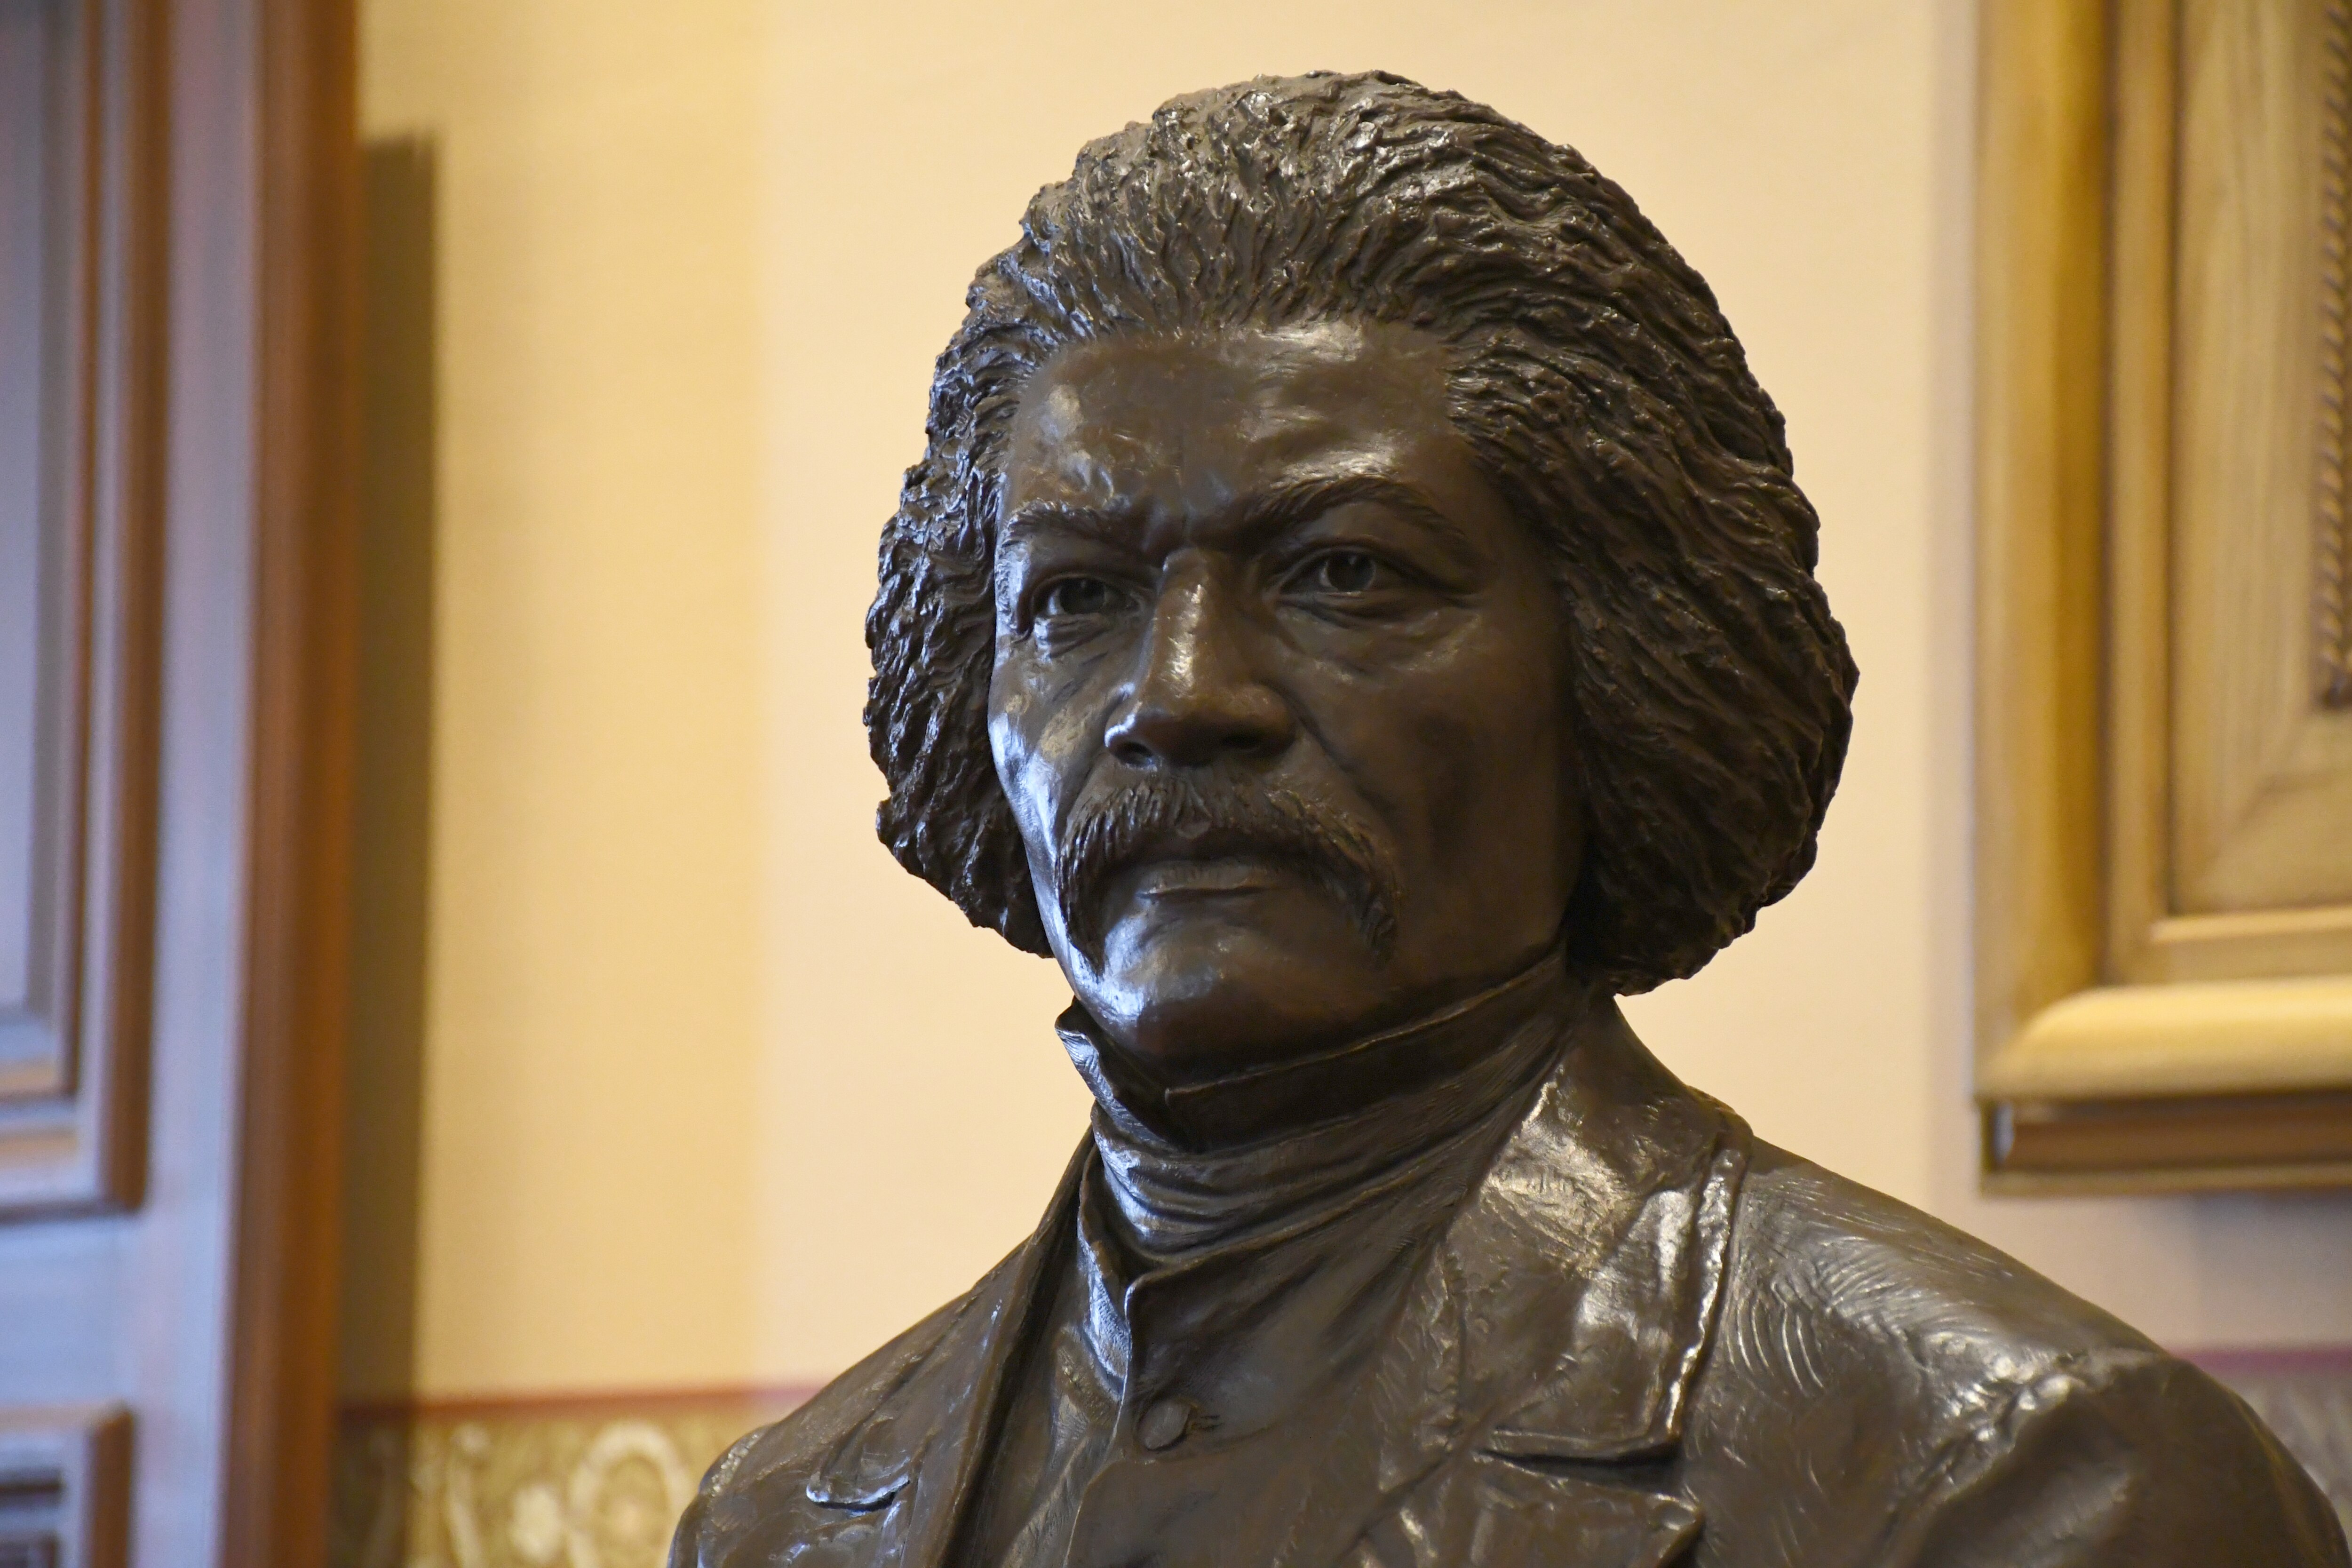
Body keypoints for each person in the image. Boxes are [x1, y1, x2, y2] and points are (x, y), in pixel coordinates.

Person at [672, 72, 2348, 1568]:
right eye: (1079, 597)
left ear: (1618, 661)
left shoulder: (2020, 1484)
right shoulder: (787, 1517)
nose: (1177, 694)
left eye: (1347, 573)